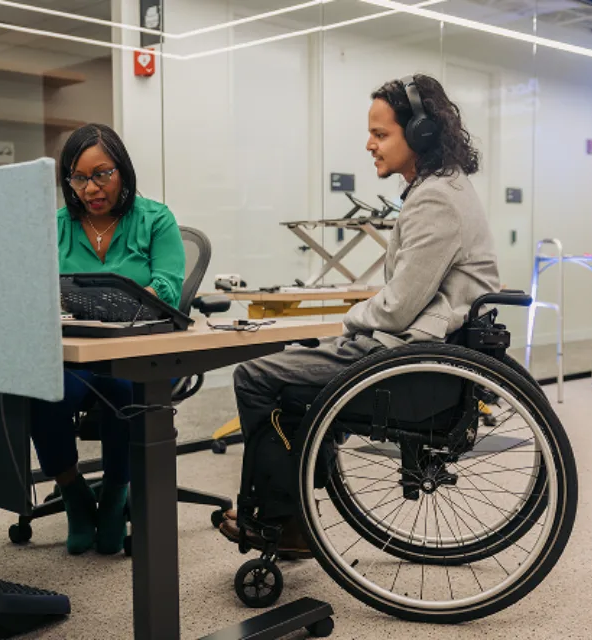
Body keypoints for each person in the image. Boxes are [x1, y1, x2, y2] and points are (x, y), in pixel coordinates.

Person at [218, 74, 501, 554]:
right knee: (295, 369)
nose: (369, 144)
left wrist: (349, 318)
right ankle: (297, 502)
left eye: (381, 133)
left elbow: (395, 309)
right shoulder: (440, 188)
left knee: (254, 377)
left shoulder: (435, 199)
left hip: (411, 364)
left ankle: (286, 522)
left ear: (421, 134)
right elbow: (408, 294)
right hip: (420, 352)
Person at [33, 123, 185, 555]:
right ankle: (74, 494)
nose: (91, 188)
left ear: (122, 169)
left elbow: (168, 288)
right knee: (44, 392)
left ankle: (117, 495)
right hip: (74, 354)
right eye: (79, 178)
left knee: (126, 389)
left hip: (136, 352)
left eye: (102, 174)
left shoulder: (155, 219)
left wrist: (123, 307)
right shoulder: (57, 226)